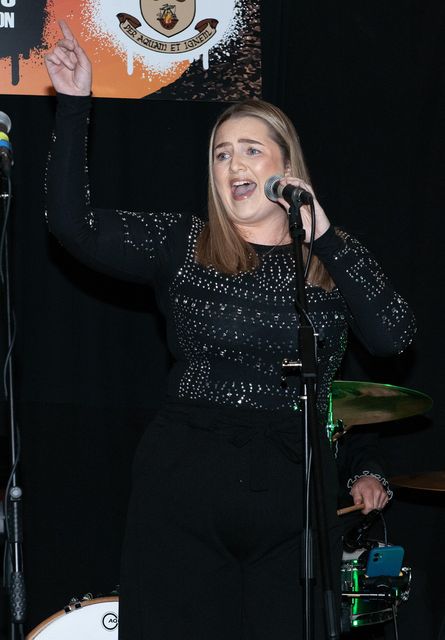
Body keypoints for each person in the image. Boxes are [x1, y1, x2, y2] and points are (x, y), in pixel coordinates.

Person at [44, 21, 416, 639]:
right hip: (185, 485)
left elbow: (395, 336)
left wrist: (324, 232)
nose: (233, 163)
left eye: (250, 149)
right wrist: (74, 106)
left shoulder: (331, 262)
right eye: (221, 153)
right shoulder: (182, 243)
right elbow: (72, 226)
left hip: (295, 498)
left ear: (285, 166)